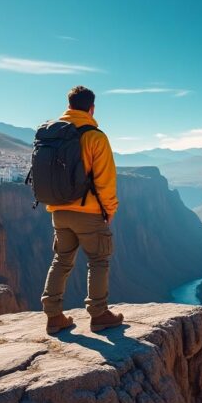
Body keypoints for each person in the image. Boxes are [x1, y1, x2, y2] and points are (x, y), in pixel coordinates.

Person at [41, 86, 123, 334]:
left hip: (58, 211)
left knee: (62, 260)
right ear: (92, 108)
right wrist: (109, 210)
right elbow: (105, 181)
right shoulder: (95, 136)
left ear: (68, 105)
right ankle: (99, 315)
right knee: (98, 261)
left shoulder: (51, 135)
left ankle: (53, 316)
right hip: (88, 213)